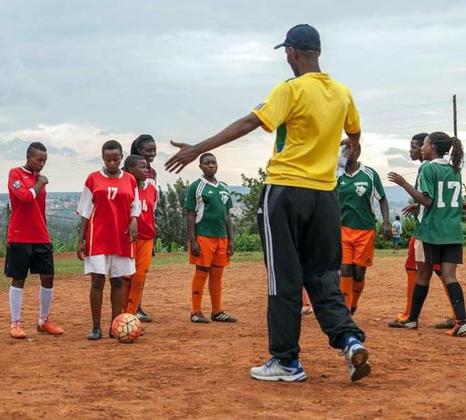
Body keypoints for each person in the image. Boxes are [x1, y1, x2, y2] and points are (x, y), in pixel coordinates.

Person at [165, 24, 369, 382]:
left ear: (291, 53)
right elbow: (354, 135)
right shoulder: (342, 93)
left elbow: (249, 122)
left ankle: (286, 361)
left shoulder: (289, 90)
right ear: (317, 52)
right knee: (322, 275)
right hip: (325, 195)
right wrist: (344, 156)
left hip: (286, 192)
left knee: (284, 279)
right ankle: (350, 341)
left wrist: (199, 148)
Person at [387, 132, 466, 336]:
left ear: (432, 148)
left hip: (431, 231)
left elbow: (428, 201)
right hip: (452, 231)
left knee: (422, 274)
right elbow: (448, 200)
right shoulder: (454, 170)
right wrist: (418, 205)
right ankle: (462, 321)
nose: (423, 147)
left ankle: (412, 320)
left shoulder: (427, 168)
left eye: (426, 144)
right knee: (450, 275)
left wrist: (403, 184)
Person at [77, 140, 140, 340]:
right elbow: (85, 211)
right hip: (98, 237)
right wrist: (81, 239)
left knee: (118, 282)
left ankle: (116, 325)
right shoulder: (93, 179)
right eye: (108, 158)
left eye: (116, 158)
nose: (112, 162)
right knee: (97, 281)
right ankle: (96, 327)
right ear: (103, 158)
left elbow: (135, 206)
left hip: (121, 237)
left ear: (121, 158)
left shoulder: (130, 179)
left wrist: (134, 221)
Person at [5, 142, 64, 339]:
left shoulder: (38, 178)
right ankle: (15, 323)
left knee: (48, 277)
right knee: (19, 278)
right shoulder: (15, 174)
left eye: (44, 160)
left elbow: (38, 207)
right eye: (38, 159)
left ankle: (43, 320)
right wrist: (40, 184)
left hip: (41, 235)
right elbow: (24, 197)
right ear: (28, 156)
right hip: (20, 235)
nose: (41, 164)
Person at [337, 139, 391, 314]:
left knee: (359, 273)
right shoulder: (336, 175)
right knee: (345, 269)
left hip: (365, 230)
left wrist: (386, 221)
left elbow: (382, 198)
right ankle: (345, 311)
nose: (344, 154)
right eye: (342, 151)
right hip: (342, 229)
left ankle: (353, 303)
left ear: (358, 151)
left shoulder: (369, 174)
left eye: (348, 150)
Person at [185, 153, 236, 323]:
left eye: (213, 162)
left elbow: (228, 215)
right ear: (200, 166)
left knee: (217, 274)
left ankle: (217, 311)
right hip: (203, 236)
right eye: (206, 163)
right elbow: (190, 214)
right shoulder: (196, 187)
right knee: (202, 272)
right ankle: (196, 311)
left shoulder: (224, 187)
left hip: (222, 237)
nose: (210, 166)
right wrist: (193, 240)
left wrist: (231, 239)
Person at [121, 155, 157, 319]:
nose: (146, 170)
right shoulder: (125, 187)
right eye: (142, 167)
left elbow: (152, 211)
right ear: (130, 170)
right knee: (126, 276)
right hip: (128, 238)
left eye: (147, 167)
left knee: (140, 276)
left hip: (147, 238)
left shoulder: (152, 188)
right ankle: (123, 314)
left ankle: (132, 313)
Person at [129, 135, 158, 322]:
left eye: (154, 150)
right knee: (127, 272)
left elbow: (153, 203)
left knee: (141, 271)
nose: (153, 154)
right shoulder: (129, 172)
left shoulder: (152, 173)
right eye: (149, 150)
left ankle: (136, 306)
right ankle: (128, 308)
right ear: (139, 151)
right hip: (130, 230)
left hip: (146, 230)